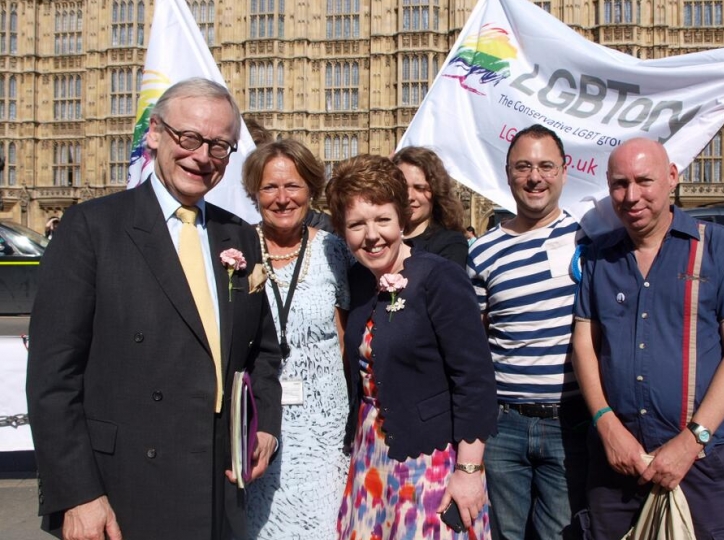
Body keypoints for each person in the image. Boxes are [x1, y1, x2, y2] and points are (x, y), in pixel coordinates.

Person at [26, 78, 283, 540]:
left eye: (219, 146)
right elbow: (52, 379)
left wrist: (263, 425)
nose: (202, 156)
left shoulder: (240, 235)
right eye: (189, 138)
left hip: (217, 488)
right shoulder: (92, 228)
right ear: (155, 133)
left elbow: (261, 350)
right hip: (123, 490)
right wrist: (77, 494)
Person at [572, 138, 724, 539]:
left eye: (644, 181)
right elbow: (585, 346)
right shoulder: (599, 257)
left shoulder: (717, 246)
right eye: (620, 184)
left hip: (699, 457)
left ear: (672, 178)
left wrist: (692, 441)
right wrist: (607, 427)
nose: (632, 195)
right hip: (616, 456)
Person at [326, 154, 498, 539]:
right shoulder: (357, 282)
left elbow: (475, 381)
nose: (372, 235)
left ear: (401, 220)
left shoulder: (440, 278)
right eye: (356, 225)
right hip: (370, 453)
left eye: (382, 220)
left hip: (430, 459)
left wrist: (469, 471)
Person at [466, 124, 589, 540]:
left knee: (561, 534)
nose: (535, 177)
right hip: (503, 426)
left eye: (545, 166)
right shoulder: (481, 251)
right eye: (523, 167)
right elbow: (474, 343)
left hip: (568, 420)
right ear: (508, 173)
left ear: (564, 172)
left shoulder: (587, 240)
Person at [242, 139, 353, 540]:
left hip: (325, 424)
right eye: (270, 187)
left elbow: (347, 335)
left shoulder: (336, 251)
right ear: (255, 193)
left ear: (311, 189)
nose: (282, 198)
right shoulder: (234, 249)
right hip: (257, 418)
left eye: (294, 186)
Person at [392, 146, 468, 267]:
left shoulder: (449, 243)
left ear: (436, 191)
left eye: (420, 188)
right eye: (402, 186)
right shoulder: (379, 239)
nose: (409, 196)